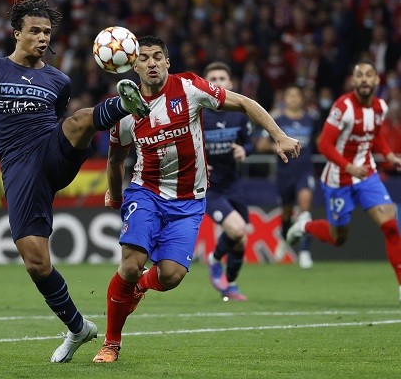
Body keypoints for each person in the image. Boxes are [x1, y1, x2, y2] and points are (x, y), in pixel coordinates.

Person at [0, 0, 150, 363]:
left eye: (47, 33)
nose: (43, 38)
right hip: (19, 168)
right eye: (35, 32)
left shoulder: (59, 80)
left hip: (51, 150)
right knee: (36, 263)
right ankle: (78, 328)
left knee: (77, 120)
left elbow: (64, 120)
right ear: (17, 33)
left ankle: (125, 105)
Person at [94, 35, 301, 363]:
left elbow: (245, 103)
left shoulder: (189, 88)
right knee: (131, 264)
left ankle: (139, 289)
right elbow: (116, 160)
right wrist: (117, 196)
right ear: (132, 64)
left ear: (167, 62)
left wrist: (279, 136)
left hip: (189, 200)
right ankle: (111, 343)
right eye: (144, 57)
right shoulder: (123, 111)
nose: (151, 63)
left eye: (157, 57)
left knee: (171, 276)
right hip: (146, 192)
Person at [287, 60, 401, 301]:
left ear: (376, 80)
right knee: (338, 238)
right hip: (339, 179)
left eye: (368, 75)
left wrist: (389, 155)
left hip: (367, 175)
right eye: (359, 75)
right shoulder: (343, 106)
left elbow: (375, 134)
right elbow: (324, 144)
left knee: (391, 226)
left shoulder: (380, 106)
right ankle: (304, 226)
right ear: (353, 80)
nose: (363, 80)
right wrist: (349, 167)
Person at [201, 62, 255, 300]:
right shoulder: (197, 113)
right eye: (212, 78)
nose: (218, 82)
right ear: (204, 85)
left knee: (241, 239)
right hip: (210, 187)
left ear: (231, 84)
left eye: (222, 78)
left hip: (234, 184)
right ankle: (213, 258)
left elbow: (250, 142)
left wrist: (245, 151)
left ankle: (230, 284)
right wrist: (198, 161)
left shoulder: (239, 114)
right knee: (237, 229)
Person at [256, 85, 320, 269]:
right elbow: (261, 145)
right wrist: (276, 146)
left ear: (302, 99)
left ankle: (305, 252)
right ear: (285, 98)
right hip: (284, 173)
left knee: (305, 210)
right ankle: (285, 240)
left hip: (305, 171)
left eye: (296, 95)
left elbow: (320, 141)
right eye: (289, 95)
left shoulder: (311, 120)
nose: (293, 99)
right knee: (286, 213)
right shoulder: (277, 120)